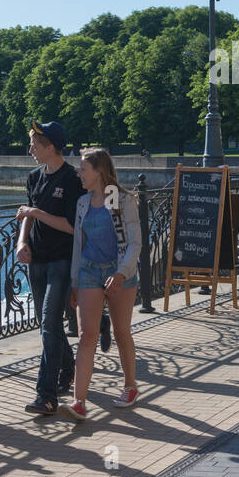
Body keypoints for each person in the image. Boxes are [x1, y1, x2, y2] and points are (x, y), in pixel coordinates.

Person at [62, 147, 142, 421]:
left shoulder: (118, 199)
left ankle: (130, 386)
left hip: (119, 273)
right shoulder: (83, 203)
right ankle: (79, 402)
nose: (79, 173)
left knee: (121, 332)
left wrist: (121, 273)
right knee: (87, 335)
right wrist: (74, 281)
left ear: (98, 171)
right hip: (89, 273)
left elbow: (134, 243)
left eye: (83, 168)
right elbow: (77, 245)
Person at [18, 119, 84, 415]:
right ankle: (67, 368)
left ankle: (46, 396)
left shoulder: (72, 179)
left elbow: (72, 227)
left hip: (62, 260)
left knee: (48, 323)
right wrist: (22, 243)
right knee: (50, 324)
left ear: (51, 147)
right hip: (37, 260)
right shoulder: (34, 176)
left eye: (34, 143)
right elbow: (27, 216)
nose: (30, 148)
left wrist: (36, 212)